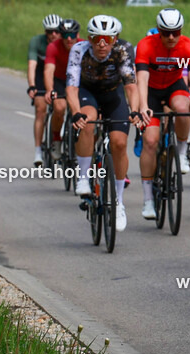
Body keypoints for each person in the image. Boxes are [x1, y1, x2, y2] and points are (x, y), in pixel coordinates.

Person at [66, 15, 141, 231]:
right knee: (87, 122)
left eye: (107, 39)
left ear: (115, 39)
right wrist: (75, 113)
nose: (102, 44)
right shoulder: (78, 50)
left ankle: (118, 201)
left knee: (118, 142)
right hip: (87, 92)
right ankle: (82, 177)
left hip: (112, 93)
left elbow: (130, 85)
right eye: (97, 38)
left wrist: (134, 109)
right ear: (89, 38)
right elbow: (71, 86)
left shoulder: (124, 49)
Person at [135, 9, 190, 220]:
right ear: (159, 30)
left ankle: (182, 152)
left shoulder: (188, 46)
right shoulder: (146, 45)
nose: (170, 37)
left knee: (184, 109)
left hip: (173, 86)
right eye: (166, 32)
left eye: (175, 32)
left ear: (181, 31)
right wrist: (142, 106)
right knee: (150, 141)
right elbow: (140, 79)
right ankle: (148, 199)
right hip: (150, 90)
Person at [43, 18, 82, 160]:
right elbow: (48, 70)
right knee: (59, 108)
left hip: (78, 81)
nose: (69, 39)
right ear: (60, 36)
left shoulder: (84, 46)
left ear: (78, 35)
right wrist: (49, 90)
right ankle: (56, 140)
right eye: (65, 35)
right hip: (60, 80)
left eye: (72, 35)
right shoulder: (53, 47)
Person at [27, 14, 62, 166]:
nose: (53, 34)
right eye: (49, 31)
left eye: (56, 31)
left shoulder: (64, 44)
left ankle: (59, 139)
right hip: (42, 76)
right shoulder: (37, 42)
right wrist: (32, 86)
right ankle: (38, 151)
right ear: (45, 32)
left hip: (59, 76)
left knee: (61, 108)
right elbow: (32, 65)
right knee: (40, 108)